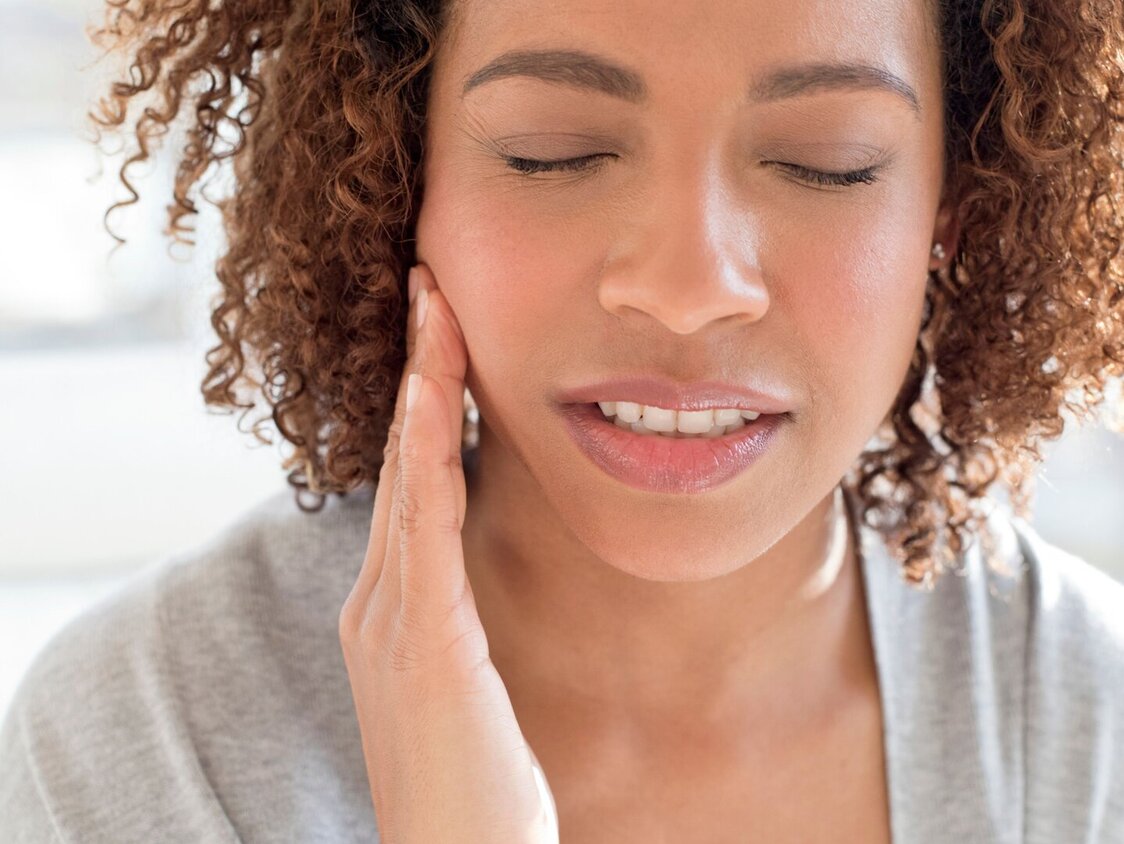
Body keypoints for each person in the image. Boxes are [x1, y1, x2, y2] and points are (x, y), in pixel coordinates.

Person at [2, 0, 1123, 840]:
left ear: (953, 214)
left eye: (822, 164)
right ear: (399, 179)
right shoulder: (145, 744)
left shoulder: (1087, 728)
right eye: (556, 152)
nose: (688, 285)